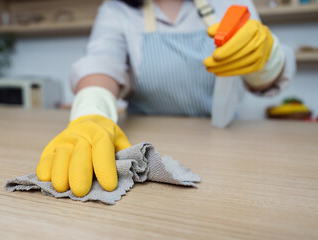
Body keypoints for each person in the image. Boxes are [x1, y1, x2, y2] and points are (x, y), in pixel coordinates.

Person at [36, 0, 295, 197]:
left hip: (225, 151)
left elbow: (267, 79)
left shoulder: (229, 2)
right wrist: (91, 114)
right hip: (148, 148)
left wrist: (266, 60)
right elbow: (101, 64)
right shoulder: (116, 9)